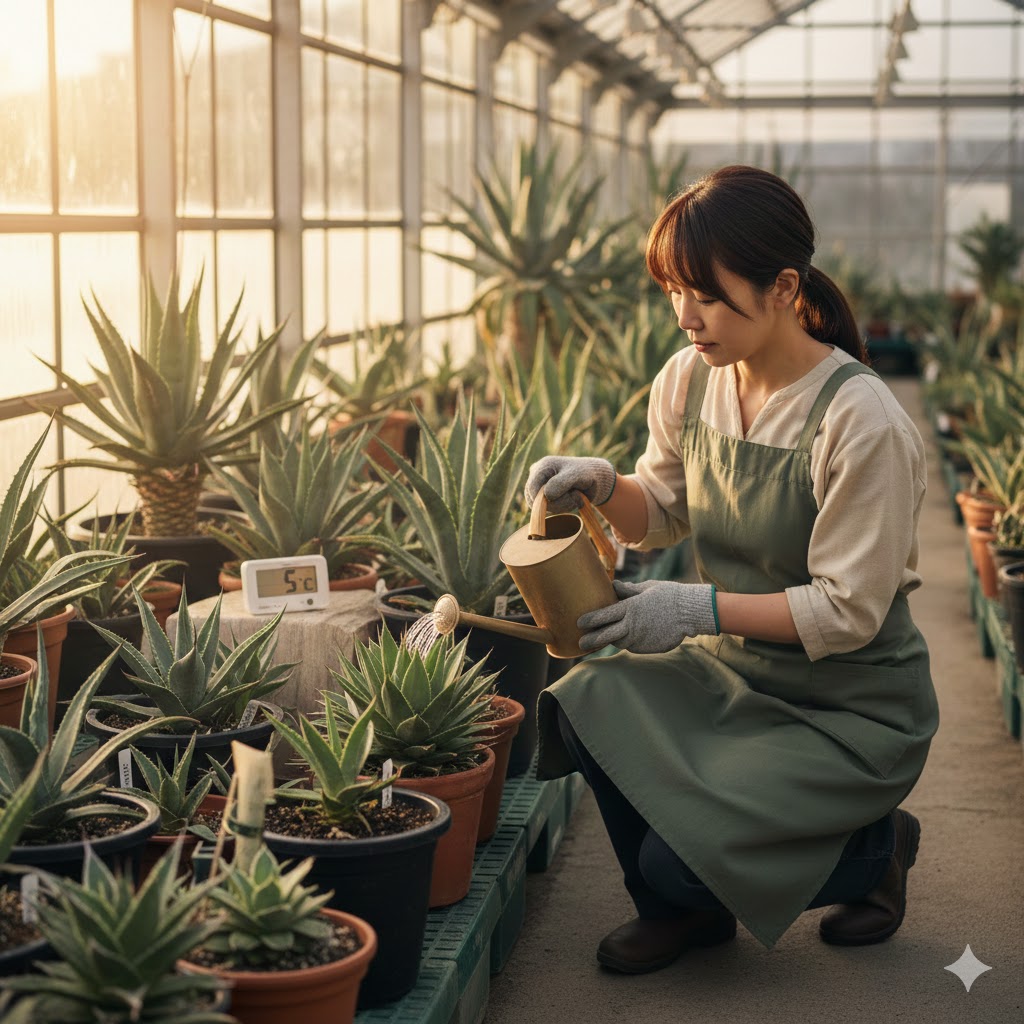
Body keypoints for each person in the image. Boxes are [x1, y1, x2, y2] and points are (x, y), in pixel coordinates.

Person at [525, 165, 940, 974]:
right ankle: (683, 916)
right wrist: (606, 486)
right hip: (732, 673)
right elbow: (669, 509)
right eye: (674, 292)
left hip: (846, 706)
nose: (686, 318)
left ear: (784, 286)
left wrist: (690, 611)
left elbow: (847, 612)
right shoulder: (691, 378)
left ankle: (879, 845)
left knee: (678, 861)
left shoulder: (861, 421)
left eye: (706, 296)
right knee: (582, 703)